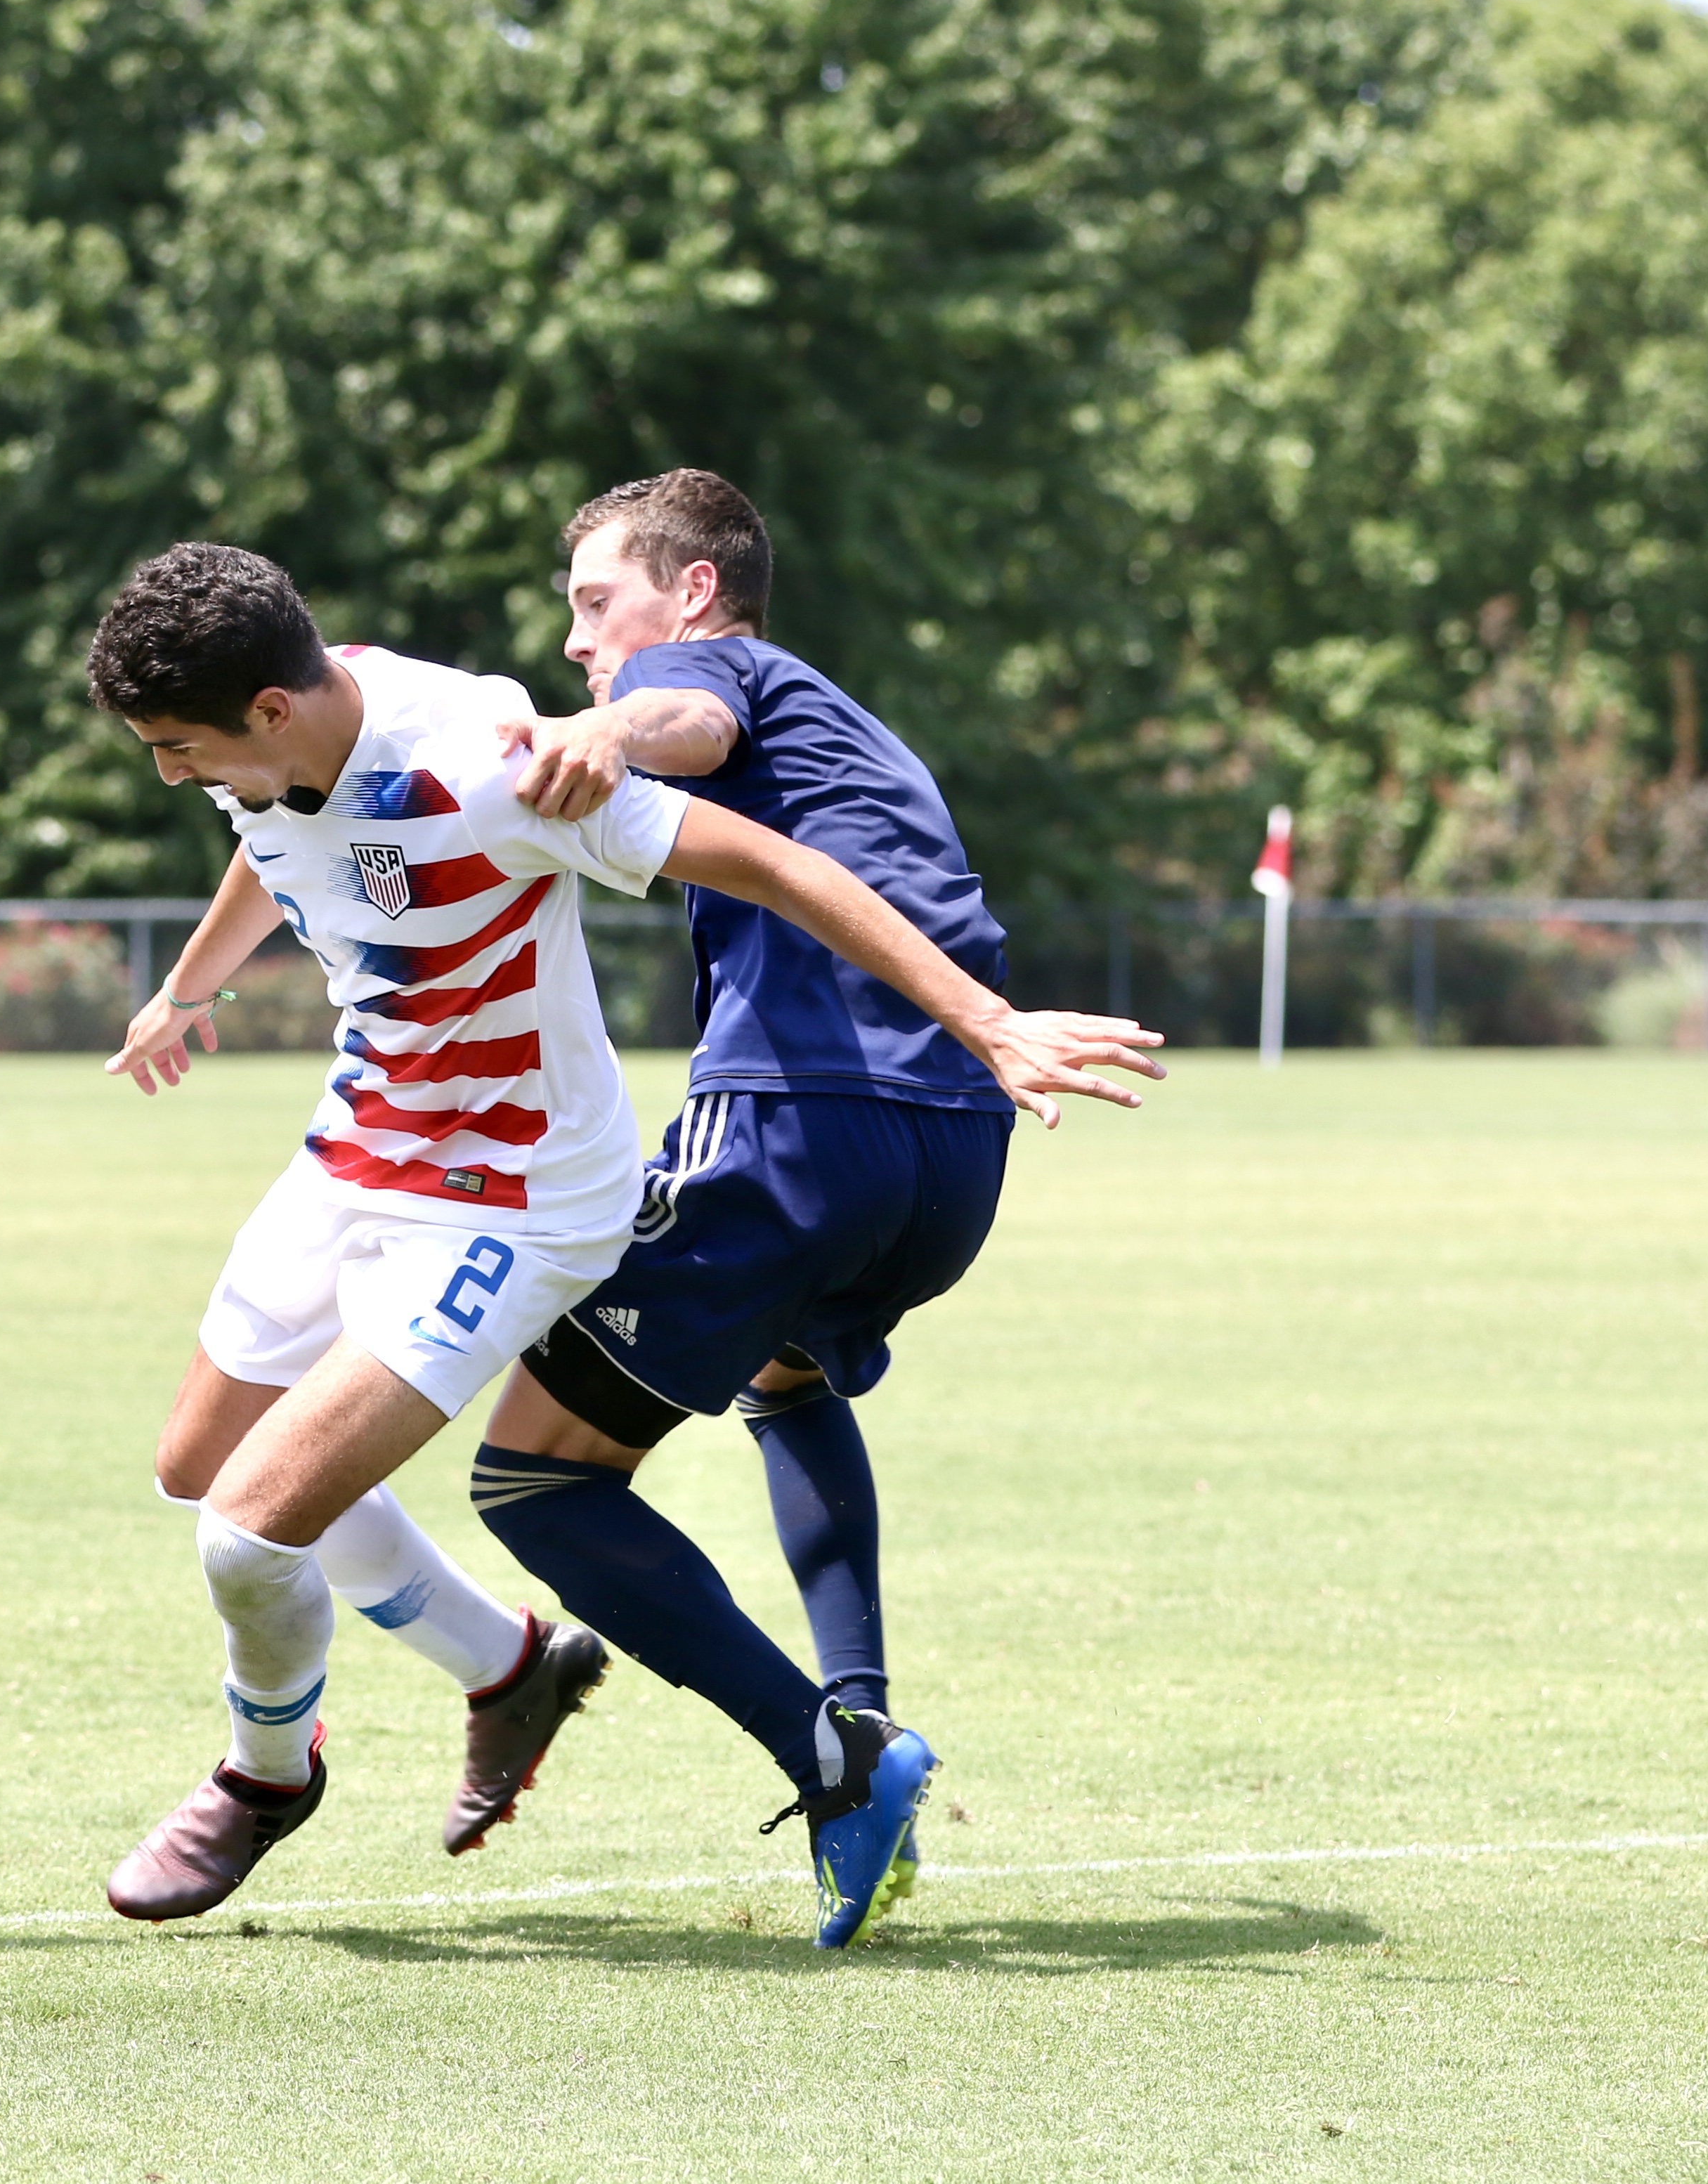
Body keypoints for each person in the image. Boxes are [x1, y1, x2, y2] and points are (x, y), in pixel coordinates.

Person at [84, 542, 1158, 1923]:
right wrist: (183, 989)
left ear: (274, 708)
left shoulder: (490, 761)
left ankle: (261, 1777)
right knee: (198, 1467)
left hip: (516, 1195)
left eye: (178, 749)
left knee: (247, 1536)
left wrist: (987, 1018)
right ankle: (510, 1665)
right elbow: (271, 830)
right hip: (360, 1142)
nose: (171, 776)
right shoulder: (278, 733)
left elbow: (765, 857)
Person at [467, 469, 1160, 1946]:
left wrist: (606, 724)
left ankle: (834, 1755)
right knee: (785, 1379)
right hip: (956, 1150)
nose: (585, 638)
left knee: (532, 1481)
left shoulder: (697, 671)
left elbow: (680, 720)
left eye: (598, 602)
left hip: (794, 1125)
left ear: (693, 591)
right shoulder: (850, 721)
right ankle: (864, 1711)